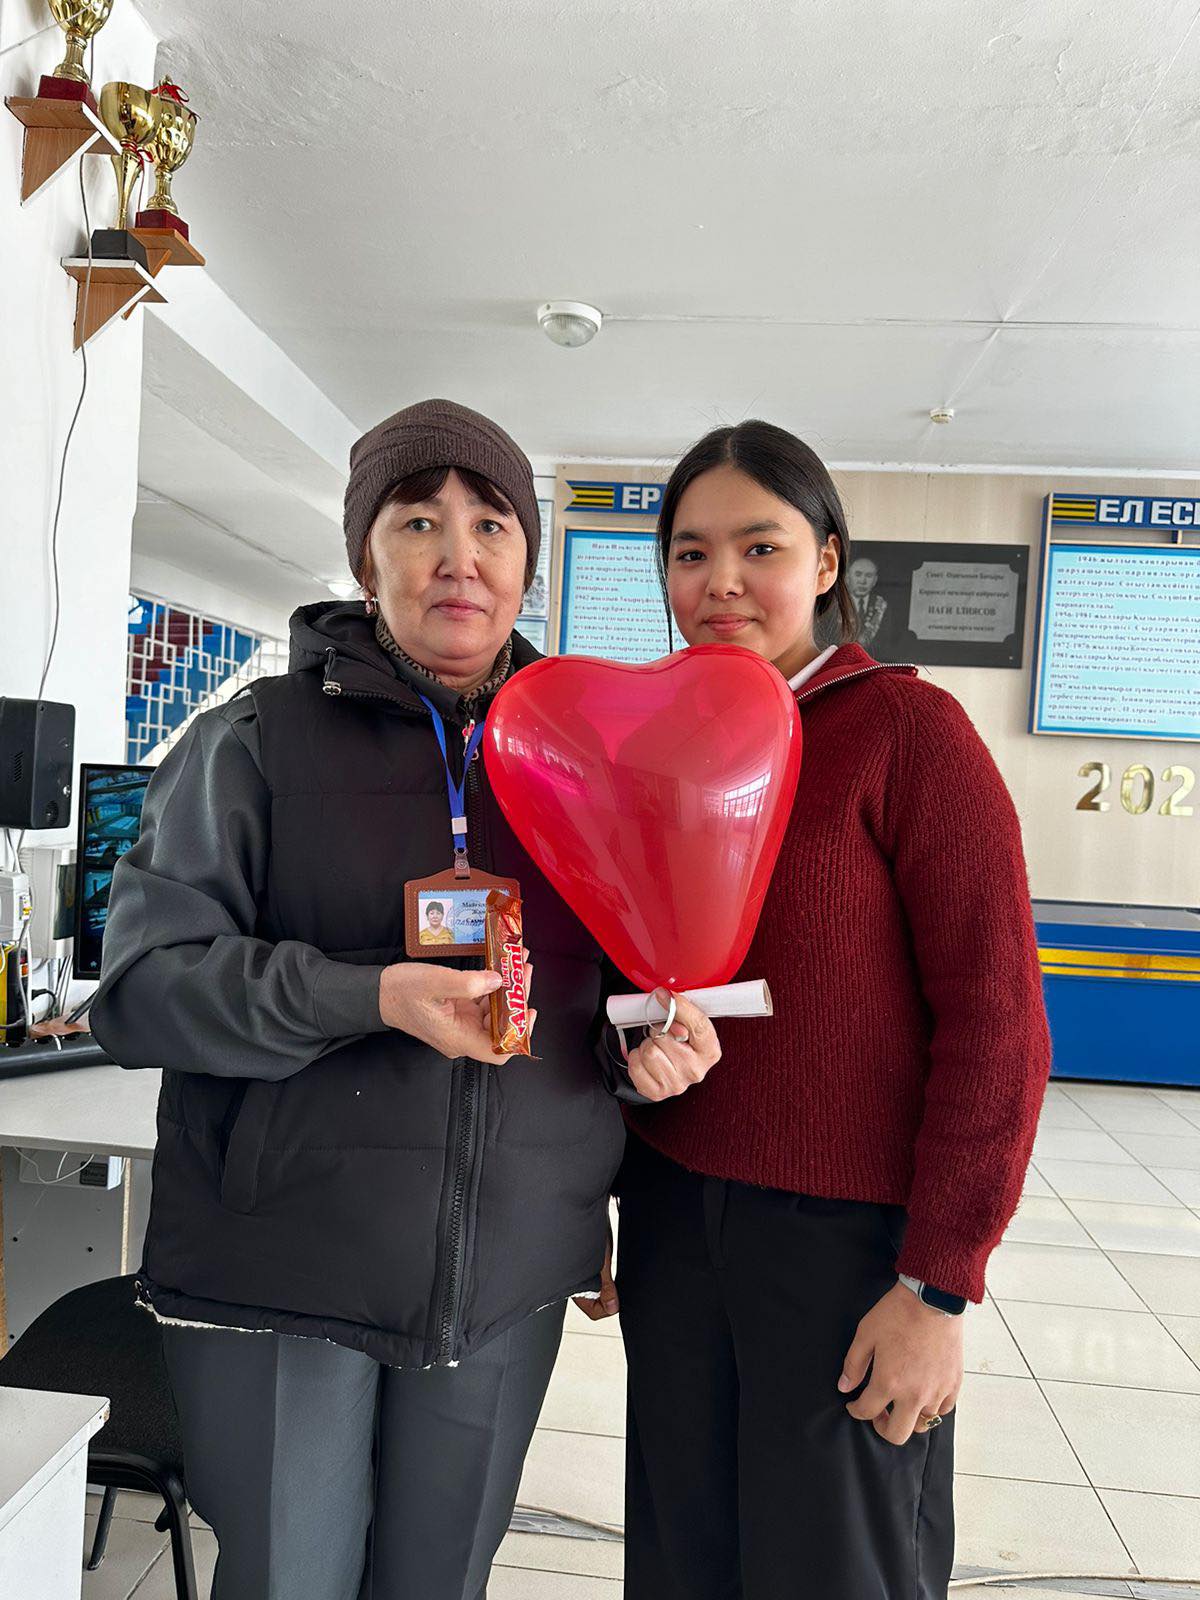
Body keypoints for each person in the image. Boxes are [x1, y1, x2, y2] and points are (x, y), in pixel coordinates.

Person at [90, 398, 720, 1600]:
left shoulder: (589, 764)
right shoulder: (251, 743)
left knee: (443, 1582)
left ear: (528, 561)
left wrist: (648, 1053)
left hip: (507, 1277)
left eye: (492, 525)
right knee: (291, 1581)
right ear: (364, 554)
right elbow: (143, 989)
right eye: (419, 521)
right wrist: (367, 994)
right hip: (283, 1272)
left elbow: (600, 1001)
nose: (458, 556)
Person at [597, 419, 1051, 1600]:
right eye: (690, 553)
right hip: (674, 1219)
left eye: (761, 547)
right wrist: (626, 1060)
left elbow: (999, 1026)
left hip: (846, 1248)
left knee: (836, 1568)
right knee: (683, 1561)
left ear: (828, 561)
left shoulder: (905, 734)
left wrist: (938, 1285)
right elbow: (617, 978)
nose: (723, 581)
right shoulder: (656, 747)